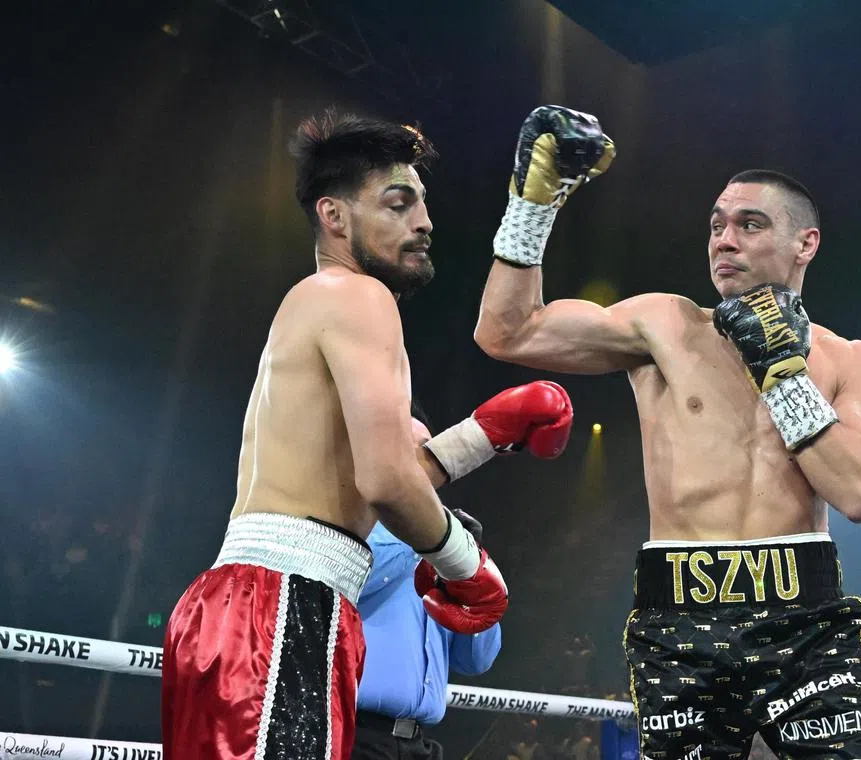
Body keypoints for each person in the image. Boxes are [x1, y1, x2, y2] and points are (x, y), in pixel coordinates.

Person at [475, 106, 861, 760]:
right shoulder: (664, 327)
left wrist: (780, 369)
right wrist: (532, 205)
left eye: (749, 224)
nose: (724, 239)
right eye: (717, 225)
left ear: (804, 243)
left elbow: (860, 493)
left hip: (807, 621)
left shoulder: (846, 359)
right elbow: (506, 332)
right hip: (681, 624)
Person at [162, 110, 572, 760]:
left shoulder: (319, 303)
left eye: (423, 204)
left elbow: (368, 476)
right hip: (281, 611)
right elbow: (386, 481)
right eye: (397, 204)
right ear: (335, 216)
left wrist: (484, 435)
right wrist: (466, 564)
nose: (424, 223)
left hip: (256, 607)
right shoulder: (359, 298)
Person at [353, 397, 558, 760]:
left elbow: (476, 661)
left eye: (430, 450)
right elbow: (354, 584)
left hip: (417, 743)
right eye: (414, 451)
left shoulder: (439, 548)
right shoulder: (352, 528)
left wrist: (469, 571)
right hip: (352, 734)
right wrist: (425, 536)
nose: (428, 462)